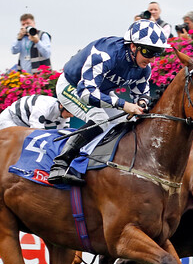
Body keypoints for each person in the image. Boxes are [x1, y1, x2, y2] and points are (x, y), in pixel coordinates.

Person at [47, 19, 169, 185]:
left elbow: (142, 96)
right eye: (148, 52)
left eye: (157, 53)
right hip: (74, 87)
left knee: (128, 121)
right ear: (133, 46)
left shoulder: (143, 69)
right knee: (99, 118)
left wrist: (141, 104)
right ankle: (60, 164)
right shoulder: (105, 55)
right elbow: (86, 94)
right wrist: (125, 105)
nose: (151, 59)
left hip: (101, 91)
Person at [0, 94, 72, 130]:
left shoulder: (65, 113)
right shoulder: (44, 105)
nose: (72, 115)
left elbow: (63, 133)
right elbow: (37, 130)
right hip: (9, 119)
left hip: (25, 125)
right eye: (69, 112)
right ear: (61, 105)